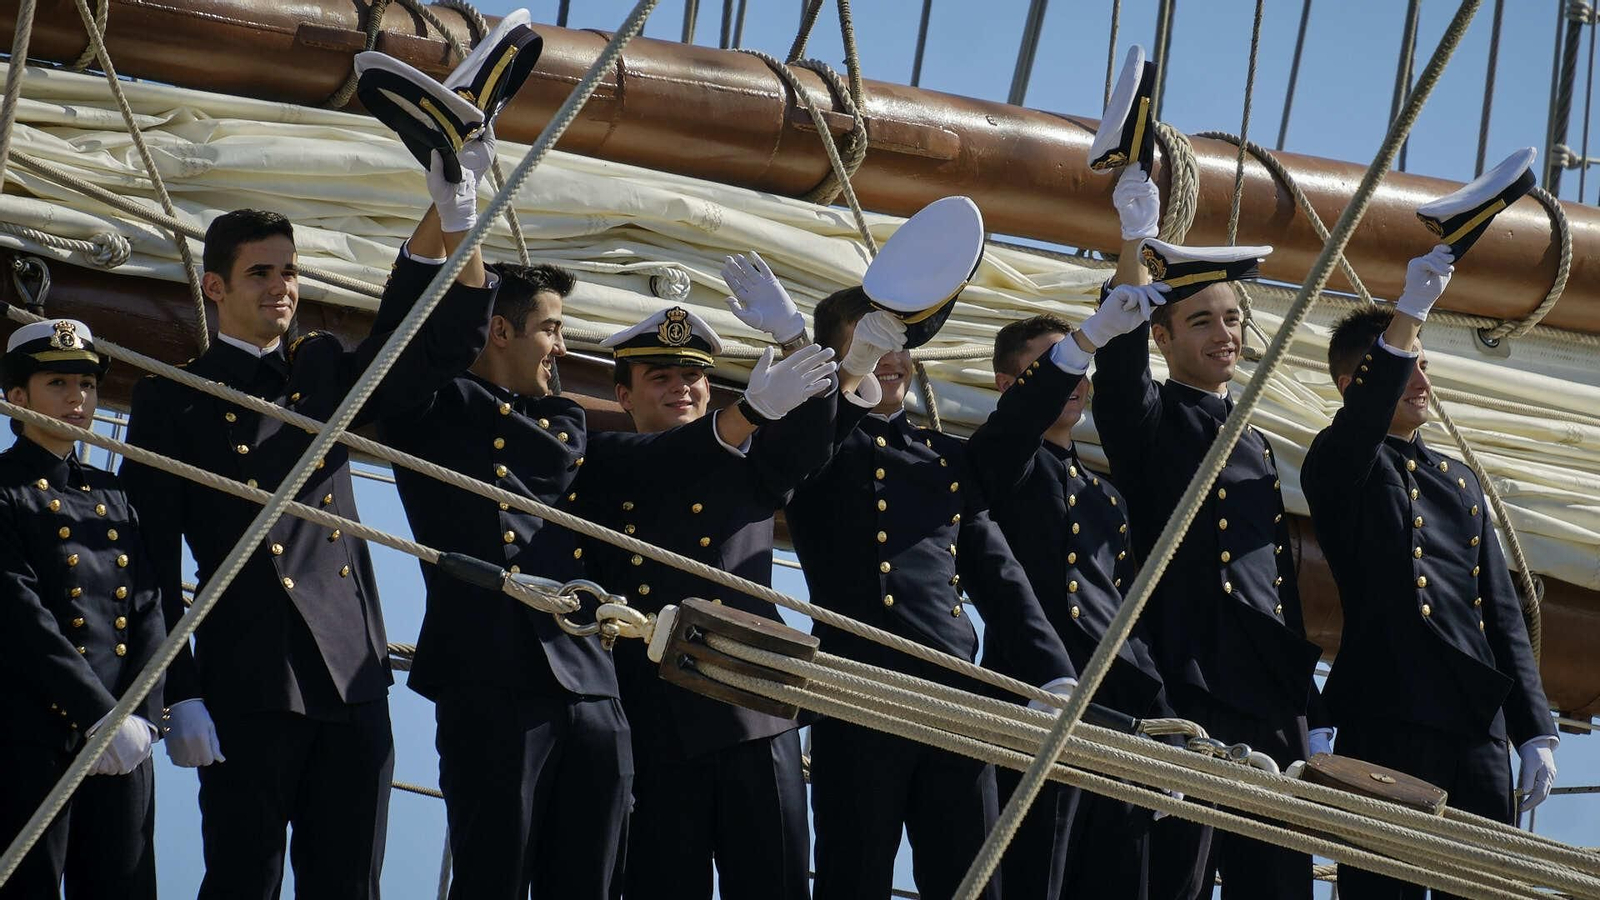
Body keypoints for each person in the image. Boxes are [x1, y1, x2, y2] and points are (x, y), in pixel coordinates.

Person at [120, 124, 497, 894]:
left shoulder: (322, 371)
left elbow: (422, 347)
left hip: (352, 677)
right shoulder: (173, 399)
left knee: (350, 884)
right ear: (215, 288)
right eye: (261, 273)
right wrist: (176, 692)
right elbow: (153, 560)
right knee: (242, 881)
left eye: (290, 272)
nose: (281, 287)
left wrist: (451, 210)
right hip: (245, 680)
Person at [789, 265, 1077, 898]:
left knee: (970, 880)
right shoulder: (816, 445)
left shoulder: (944, 458)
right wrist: (835, 385)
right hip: (859, 689)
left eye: (898, 344)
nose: (890, 359)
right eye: (869, 342)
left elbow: (998, 574)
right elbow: (803, 451)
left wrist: (1052, 671)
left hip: (954, 697)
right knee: (854, 875)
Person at [572, 261, 839, 900]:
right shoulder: (600, 460)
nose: (682, 388)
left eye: (693, 376)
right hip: (654, 723)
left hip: (752, 712)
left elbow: (814, 438)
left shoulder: (747, 465)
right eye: (659, 377)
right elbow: (663, 464)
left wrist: (794, 340)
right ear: (624, 396)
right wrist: (745, 413)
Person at [378, 236, 632, 896]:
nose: (563, 348)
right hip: (489, 678)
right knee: (493, 875)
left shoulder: (567, 420)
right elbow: (403, 356)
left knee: (591, 883)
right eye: (551, 329)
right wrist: (460, 227)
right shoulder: (437, 409)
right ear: (497, 331)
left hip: (591, 681)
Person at [1301, 246, 1557, 899]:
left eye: (1424, 366)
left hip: (1474, 725)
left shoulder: (1460, 482)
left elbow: (1501, 614)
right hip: (1385, 714)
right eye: (1403, 368)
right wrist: (1410, 309)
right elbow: (1359, 427)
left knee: (1480, 886)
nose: (1422, 382)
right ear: (1353, 384)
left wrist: (1536, 731)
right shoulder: (1339, 464)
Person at [1083, 227, 1327, 899]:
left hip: (1268, 699)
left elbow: (1276, 581)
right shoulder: (1152, 419)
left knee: (1279, 883)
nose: (1225, 334)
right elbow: (1121, 368)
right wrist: (1131, 244)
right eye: (1201, 322)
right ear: (1163, 338)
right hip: (1187, 686)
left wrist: (1310, 708)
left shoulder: (1251, 438)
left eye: (1232, 318)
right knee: (1176, 879)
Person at [968, 306, 1170, 898]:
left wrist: (1164, 719)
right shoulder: (1000, 460)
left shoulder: (1105, 495)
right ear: (1008, 385)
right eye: (1058, 366)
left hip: (1119, 711)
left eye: (1084, 368)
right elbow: (1012, 430)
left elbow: (1125, 614)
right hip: (1036, 695)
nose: (1077, 382)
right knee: (1038, 874)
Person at [0, 319, 164, 899]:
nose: (78, 399)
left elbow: (148, 607)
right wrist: (97, 714)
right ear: (16, 398)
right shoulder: (3, 490)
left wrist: (141, 714)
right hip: (30, 738)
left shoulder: (113, 494)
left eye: (88, 386)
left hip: (122, 740)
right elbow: (19, 615)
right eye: (58, 383)